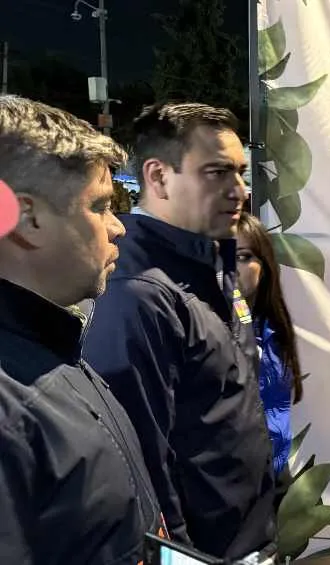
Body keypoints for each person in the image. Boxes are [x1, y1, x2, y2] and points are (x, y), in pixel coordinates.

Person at [82, 102, 276, 559]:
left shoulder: (212, 261)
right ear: (159, 177)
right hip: (208, 552)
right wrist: (184, 556)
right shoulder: (137, 293)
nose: (240, 191)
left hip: (248, 536)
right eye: (217, 172)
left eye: (241, 173)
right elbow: (142, 460)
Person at [0, 95, 164, 564]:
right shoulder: (14, 403)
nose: (119, 228)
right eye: (100, 206)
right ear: (27, 218)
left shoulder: (51, 344)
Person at [235, 212, 304, 490]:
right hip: (230, 486)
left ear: (263, 265)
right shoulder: (203, 328)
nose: (230, 266)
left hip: (275, 474)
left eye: (242, 256)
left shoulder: (275, 326)